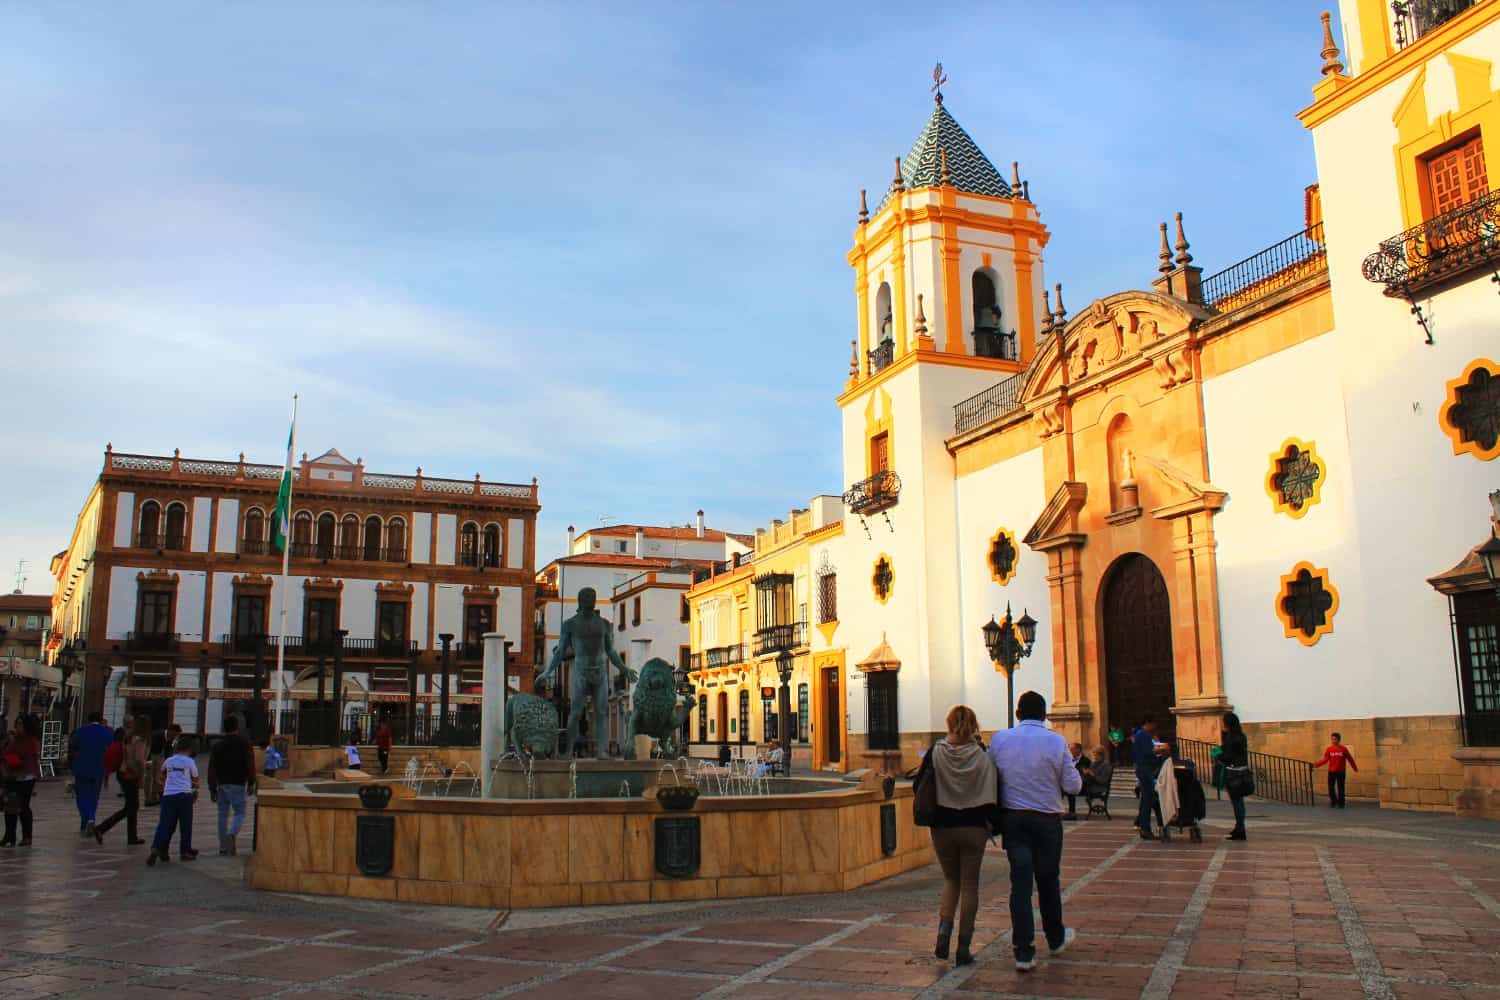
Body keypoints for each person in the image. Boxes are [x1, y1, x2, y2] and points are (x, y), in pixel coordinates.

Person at [988, 691, 1081, 972]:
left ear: (1018, 714)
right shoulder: (1056, 741)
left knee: (1021, 886)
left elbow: (991, 777)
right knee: (1048, 881)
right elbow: (1073, 786)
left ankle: (1024, 951)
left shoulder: (1000, 740)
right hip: (1047, 821)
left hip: (1014, 821)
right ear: (1045, 715)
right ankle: (1055, 938)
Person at [925, 705, 1000, 967]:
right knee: (970, 886)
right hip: (973, 826)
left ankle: (943, 932)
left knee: (950, 880)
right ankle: (964, 947)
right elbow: (993, 790)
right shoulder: (982, 755)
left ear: (948, 723)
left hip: (943, 826)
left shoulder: (936, 751)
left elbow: (919, 785)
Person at [95, 716, 149, 846]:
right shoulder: (140, 739)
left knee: (131, 806)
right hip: (132, 774)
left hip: (123, 771)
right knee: (131, 807)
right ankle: (101, 828)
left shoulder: (128, 737)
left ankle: (132, 837)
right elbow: (139, 759)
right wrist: (142, 776)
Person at [208, 715, 257, 856]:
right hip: (238, 783)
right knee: (240, 812)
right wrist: (251, 781)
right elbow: (249, 762)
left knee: (222, 815)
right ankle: (232, 832)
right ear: (237, 727)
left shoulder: (217, 745)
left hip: (222, 784)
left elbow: (212, 767)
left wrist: (212, 787)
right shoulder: (244, 743)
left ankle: (223, 846)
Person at [148, 734, 199, 865]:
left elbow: (161, 776)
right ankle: (185, 851)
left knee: (165, 823)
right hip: (184, 796)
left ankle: (157, 847)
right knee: (185, 825)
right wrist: (194, 789)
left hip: (168, 795)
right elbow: (196, 779)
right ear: (189, 749)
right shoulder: (189, 761)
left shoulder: (169, 761)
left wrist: (165, 784)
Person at [69, 711, 115, 837]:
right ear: (100, 720)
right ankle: (88, 819)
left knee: (82, 796)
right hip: (99, 767)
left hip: (82, 767)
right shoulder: (107, 732)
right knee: (94, 796)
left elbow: (74, 746)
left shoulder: (81, 730)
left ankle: (88, 818)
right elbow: (110, 750)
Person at [0, 714, 42, 848]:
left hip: (26, 777)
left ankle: (27, 836)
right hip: (12, 776)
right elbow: (5, 754)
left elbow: (31, 759)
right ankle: (9, 835)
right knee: (10, 807)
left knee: (23, 806)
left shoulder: (32, 741)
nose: (18, 727)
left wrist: (19, 761)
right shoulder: (13, 740)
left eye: (21, 724)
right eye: (17, 724)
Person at [1131, 715, 1167, 840]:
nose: (1155, 727)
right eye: (1154, 723)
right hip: (1145, 769)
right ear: (1148, 723)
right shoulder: (1143, 734)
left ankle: (1141, 823)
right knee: (1148, 798)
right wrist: (1162, 749)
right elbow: (1149, 751)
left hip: (1143, 768)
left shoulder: (1140, 734)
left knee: (1147, 798)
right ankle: (1145, 827)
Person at [1221, 712, 1250, 841]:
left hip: (1233, 773)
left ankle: (1240, 829)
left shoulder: (1230, 737)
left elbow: (1228, 756)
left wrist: (1218, 756)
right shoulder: (1241, 736)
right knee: (1240, 802)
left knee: (1236, 802)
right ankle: (1239, 827)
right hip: (1243, 772)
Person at [1312, 732, 1358, 808]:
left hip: (1341, 772)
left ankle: (1341, 803)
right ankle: (1333, 802)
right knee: (1331, 788)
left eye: (1335, 739)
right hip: (1331, 772)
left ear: (1338, 740)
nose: (1333, 741)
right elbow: (1325, 759)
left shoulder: (1343, 749)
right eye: (1332, 739)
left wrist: (1355, 768)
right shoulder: (1329, 749)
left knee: (1341, 788)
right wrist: (1316, 764)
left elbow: (1350, 759)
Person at [1063, 742, 1088, 821]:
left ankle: (1072, 812)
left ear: (1078, 750)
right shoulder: (1067, 759)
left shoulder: (1085, 761)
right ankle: (1055, 810)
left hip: (1082, 785)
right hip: (1068, 782)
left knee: (1070, 789)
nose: (1069, 750)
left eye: (1071, 749)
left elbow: (1085, 775)